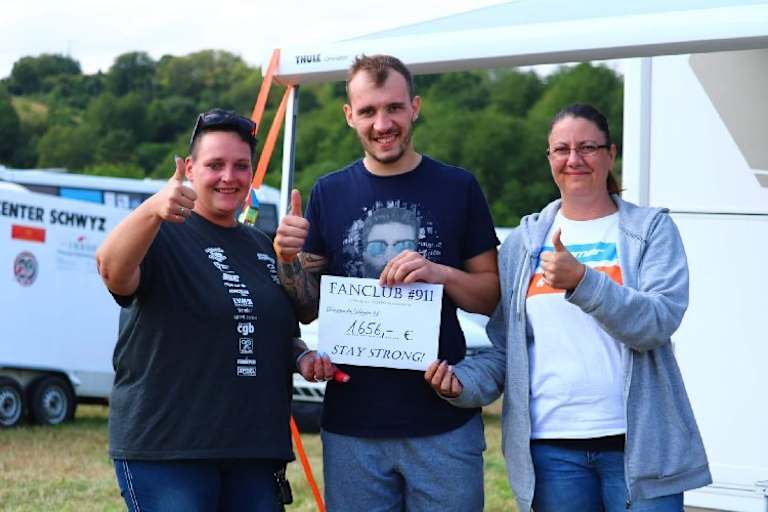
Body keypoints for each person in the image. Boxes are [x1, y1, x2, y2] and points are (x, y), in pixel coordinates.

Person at [427, 103, 712, 511]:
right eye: (561, 149)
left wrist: (583, 280)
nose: (574, 160)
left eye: (588, 148)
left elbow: (657, 323)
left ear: (611, 154)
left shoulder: (650, 231)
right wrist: (462, 384)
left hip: (639, 450)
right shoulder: (523, 245)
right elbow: (508, 349)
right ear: (549, 158)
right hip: (552, 453)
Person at [273, 54, 500, 511]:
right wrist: (286, 258)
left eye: (394, 108)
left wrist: (440, 272)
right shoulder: (329, 193)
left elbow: (489, 296)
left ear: (414, 106)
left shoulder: (458, 187)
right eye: (369, 111)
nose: (383, 123)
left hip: (444, 420)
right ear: (349, 116)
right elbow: (307, 308)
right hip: (353, 425)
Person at [96, 108, 304, 511]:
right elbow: (112, 271)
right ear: (190, 168)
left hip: (254, 451)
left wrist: (305, 355)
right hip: (169, 450)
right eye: (215, 165)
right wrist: (152, 208)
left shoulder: (262, 246)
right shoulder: (162, 233)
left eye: (241, 166)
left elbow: (276, 333)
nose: (229, 177)